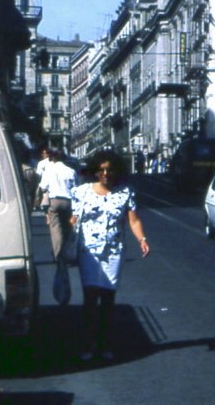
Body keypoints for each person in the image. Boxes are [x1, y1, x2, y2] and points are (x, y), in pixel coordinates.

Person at [70, 149, 150, 361]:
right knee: (90, 297)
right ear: (95, 171)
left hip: (114, 252)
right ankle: (88, 344)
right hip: (88, 252)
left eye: (110, 170)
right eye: (101, 170)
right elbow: (74, 220)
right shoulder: (81, 192)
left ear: (117, 171)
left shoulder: (125, 193)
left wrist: (142, 239)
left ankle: (104, 344)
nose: (105, 174)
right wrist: (63, 237)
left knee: (107, 299)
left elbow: (133, 220)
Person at [36, 148, 76, 264]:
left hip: (54, 201)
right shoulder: (71, 171)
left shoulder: (49, 170)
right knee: (68, 228)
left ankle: (58, 255)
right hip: (68, 201)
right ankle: (67, 253)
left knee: (56, 229)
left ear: (52, 158)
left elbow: (43, 187)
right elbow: (76, 188)